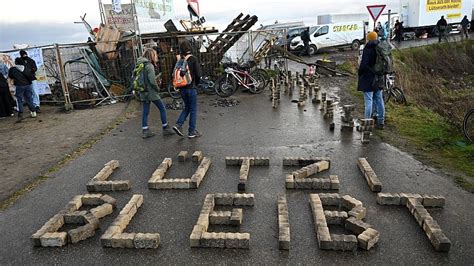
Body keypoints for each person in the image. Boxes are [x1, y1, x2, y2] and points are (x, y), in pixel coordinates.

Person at [135, 48, 174, 138]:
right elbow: (152, 80)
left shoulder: (139, 64)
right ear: (152, 56)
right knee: (162, 108)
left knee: (145, 111)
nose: (156, 57)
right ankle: (165, 128)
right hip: (151, 92)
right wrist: (157, 88)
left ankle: (145, 130)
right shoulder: (149, 66)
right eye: (155, 55)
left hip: (143, 91)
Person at [172, 40, 202, 138]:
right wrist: (196, 84)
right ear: (190, 48)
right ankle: (191, 131)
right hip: (191, 87)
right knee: (193, 109)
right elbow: (198, 75)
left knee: (187, 107)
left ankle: (178, 125)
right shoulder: (193, 59)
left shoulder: (177, 59)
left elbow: (173, 74)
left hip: (182, 88)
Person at [357, 31, 385, 129]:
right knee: (379, 99)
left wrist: (360, 72)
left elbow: (363, 65)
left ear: (369, 38)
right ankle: (381, 122)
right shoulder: (380, 47)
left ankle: (366, 123)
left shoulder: (368, 49)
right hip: (380, 77)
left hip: (369, 77)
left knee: (368, 100)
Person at [8, 58, 37, 122]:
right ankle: (33, 112)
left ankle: (20, 115)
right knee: (29, 99)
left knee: (19, 100)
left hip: (19, 86)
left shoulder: (12, 69)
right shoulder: (26, 68)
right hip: (28, 85)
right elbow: (30, 76)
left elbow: (11, 76)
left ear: (15, 62)